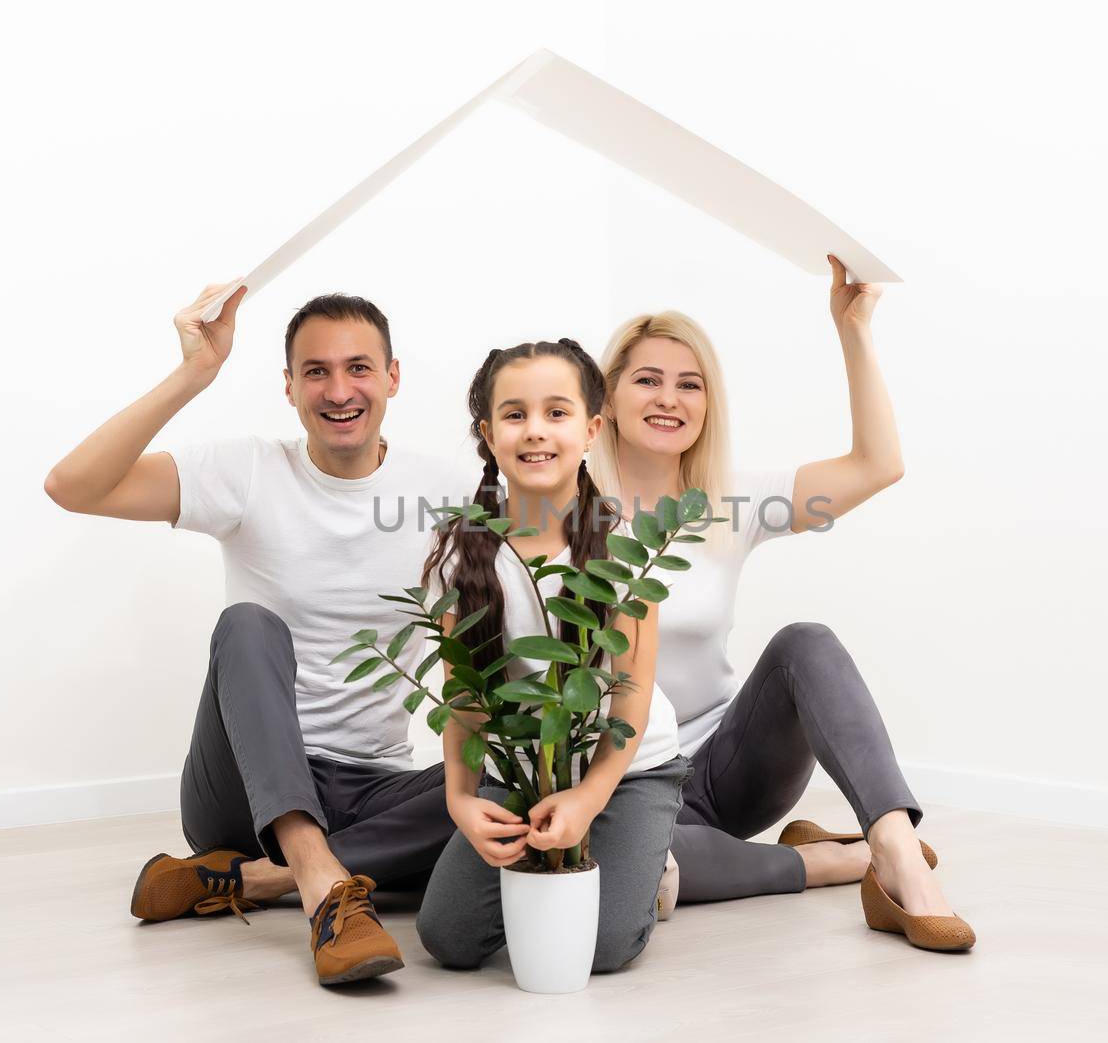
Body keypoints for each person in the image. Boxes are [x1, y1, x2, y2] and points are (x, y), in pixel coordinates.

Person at [44, 281, 476, 985]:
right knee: (248, 624)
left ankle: (257, 882)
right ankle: (317, 879)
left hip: (373, 785)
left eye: (359, 367)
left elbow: (472, 663)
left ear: (393, 377)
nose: (339, 390)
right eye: (316, 371)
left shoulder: (445, 495)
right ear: (289, 386)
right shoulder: (246, 470)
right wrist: (194, 374)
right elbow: (73, 485)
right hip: (244, 791)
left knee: (495, 775)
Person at [587, 256, 975, 951]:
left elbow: (877, 465)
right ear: (607, 396)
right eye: (647, 379)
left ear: (708, 405)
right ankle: (831, 860)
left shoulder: (729, 501)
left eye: (689, 385)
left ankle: (894, 847)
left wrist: (852, 330)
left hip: (723, 773)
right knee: (634, 861)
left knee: (806, 641)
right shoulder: (563, 510)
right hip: (615, 784)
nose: (668, 399)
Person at [413, 339, 690, 973]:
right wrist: (461, 799)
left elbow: (631, 693)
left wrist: (590, 797)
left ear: (592, 428)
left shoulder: (624, 549)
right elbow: (464, 697)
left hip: (625, 768)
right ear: (487, 435)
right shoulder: (459, 554)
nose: (535, 431)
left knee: (604, 949)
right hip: (520, 766)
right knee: (447, 939)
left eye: (557, 413)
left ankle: (651, 859)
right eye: (514, 415)